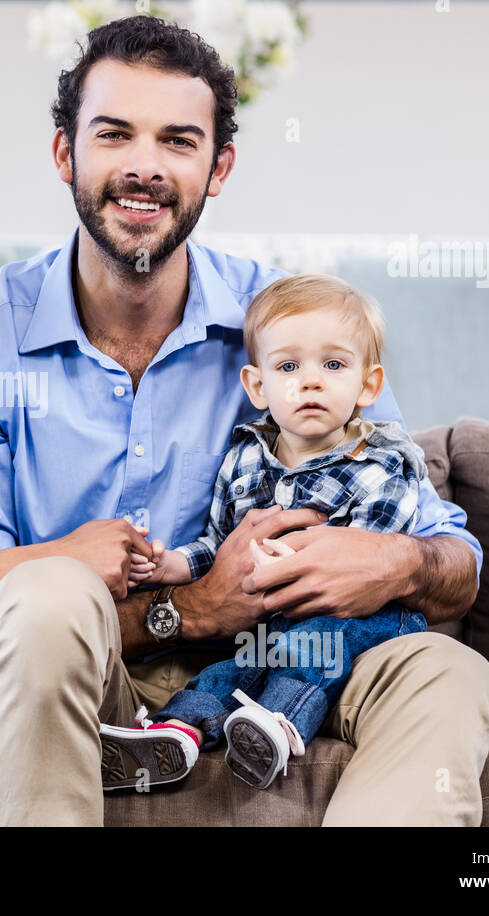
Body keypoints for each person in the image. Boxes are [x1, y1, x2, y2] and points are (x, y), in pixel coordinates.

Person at [0, 16, 489, 826]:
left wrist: (395, 561)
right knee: (41, 593)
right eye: (114, 134)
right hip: (95, 668)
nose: (144, 168)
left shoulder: (293, 329)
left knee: (445, 669)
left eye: (178, 141)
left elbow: (455, 557)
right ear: (65, 155)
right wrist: (192, 609)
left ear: (218, 166)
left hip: (292, 662)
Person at [101, 272, 431, 791]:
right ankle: (176, 734)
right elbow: (219, 543)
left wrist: (290, 559)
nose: (312, 380)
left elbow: (373, 548)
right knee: (226, 671)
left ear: (369, 384)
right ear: (258, 386)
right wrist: (176, 565)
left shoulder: (383, 463)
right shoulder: (244, 459)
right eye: (288, 366)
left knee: (308, 650)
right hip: (262, 625)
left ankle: (275, 728)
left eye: (334, 364)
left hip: (356, 622)